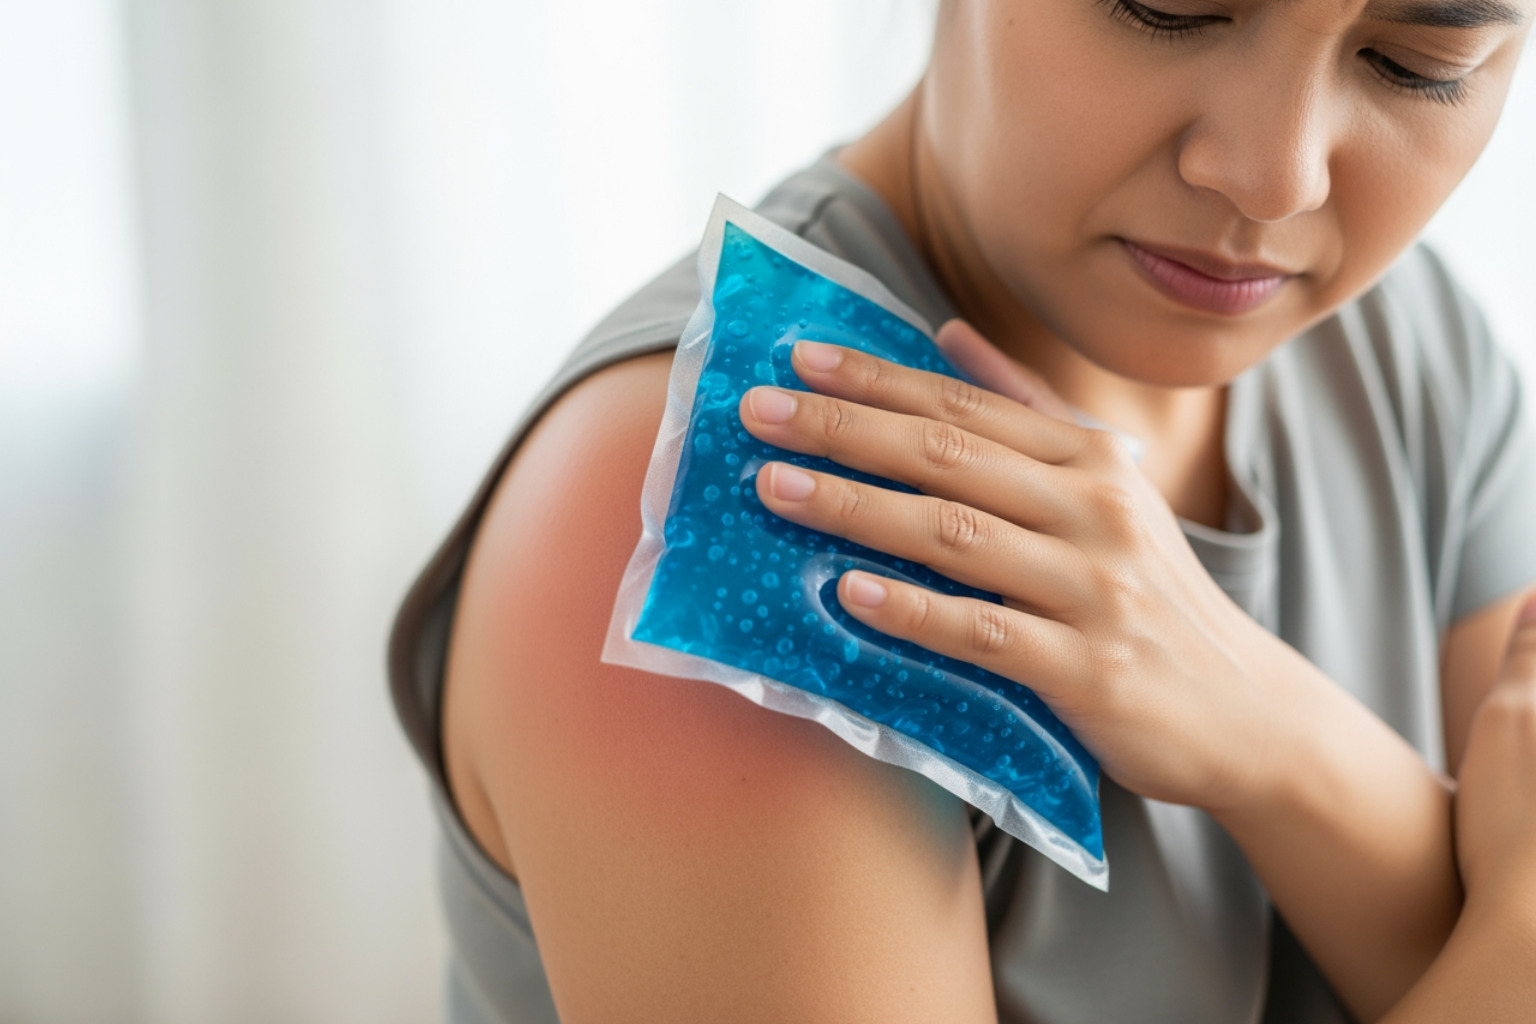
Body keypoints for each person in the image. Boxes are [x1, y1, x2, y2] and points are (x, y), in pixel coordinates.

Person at [388, 1, 1536, 1021]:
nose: (1273, 176)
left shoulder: (1415, 351)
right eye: (1171, 8)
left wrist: (1271, 736)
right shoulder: (737, 493)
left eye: (1419, 61)